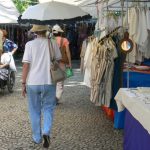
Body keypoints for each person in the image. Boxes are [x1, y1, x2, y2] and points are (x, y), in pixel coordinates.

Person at [22, 25, 61, 148]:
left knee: (34, 110)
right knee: (48, 108)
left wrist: (23, 83)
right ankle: (46, 131)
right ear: (46, 31)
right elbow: (58, 61)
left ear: (35, 32)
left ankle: (37, 138)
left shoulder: (29, 45)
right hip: (49, 81)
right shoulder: (53, 43)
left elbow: (25, 66)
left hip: (33, 82)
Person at [52, 24, 72, 104]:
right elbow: (67, 52)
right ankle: (56, 98)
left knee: (53, 80)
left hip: (52, 63)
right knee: (60, 82)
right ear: (60, 32)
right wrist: (70, 63)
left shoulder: (50, 40)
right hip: (62, 63)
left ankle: (51, 98)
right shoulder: (64, 40)